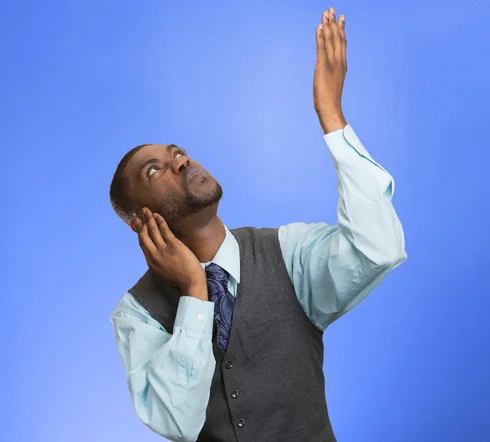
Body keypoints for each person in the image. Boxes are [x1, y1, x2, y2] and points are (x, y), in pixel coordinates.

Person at [109, 7, 407, 442]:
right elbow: (176, 421)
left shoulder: (288, 254)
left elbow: (378, 249)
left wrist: (332, 117)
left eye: (177, 152)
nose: (180, 161)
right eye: (153, 171)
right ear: (139, 221)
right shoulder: (137, 313)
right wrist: (195, 291)